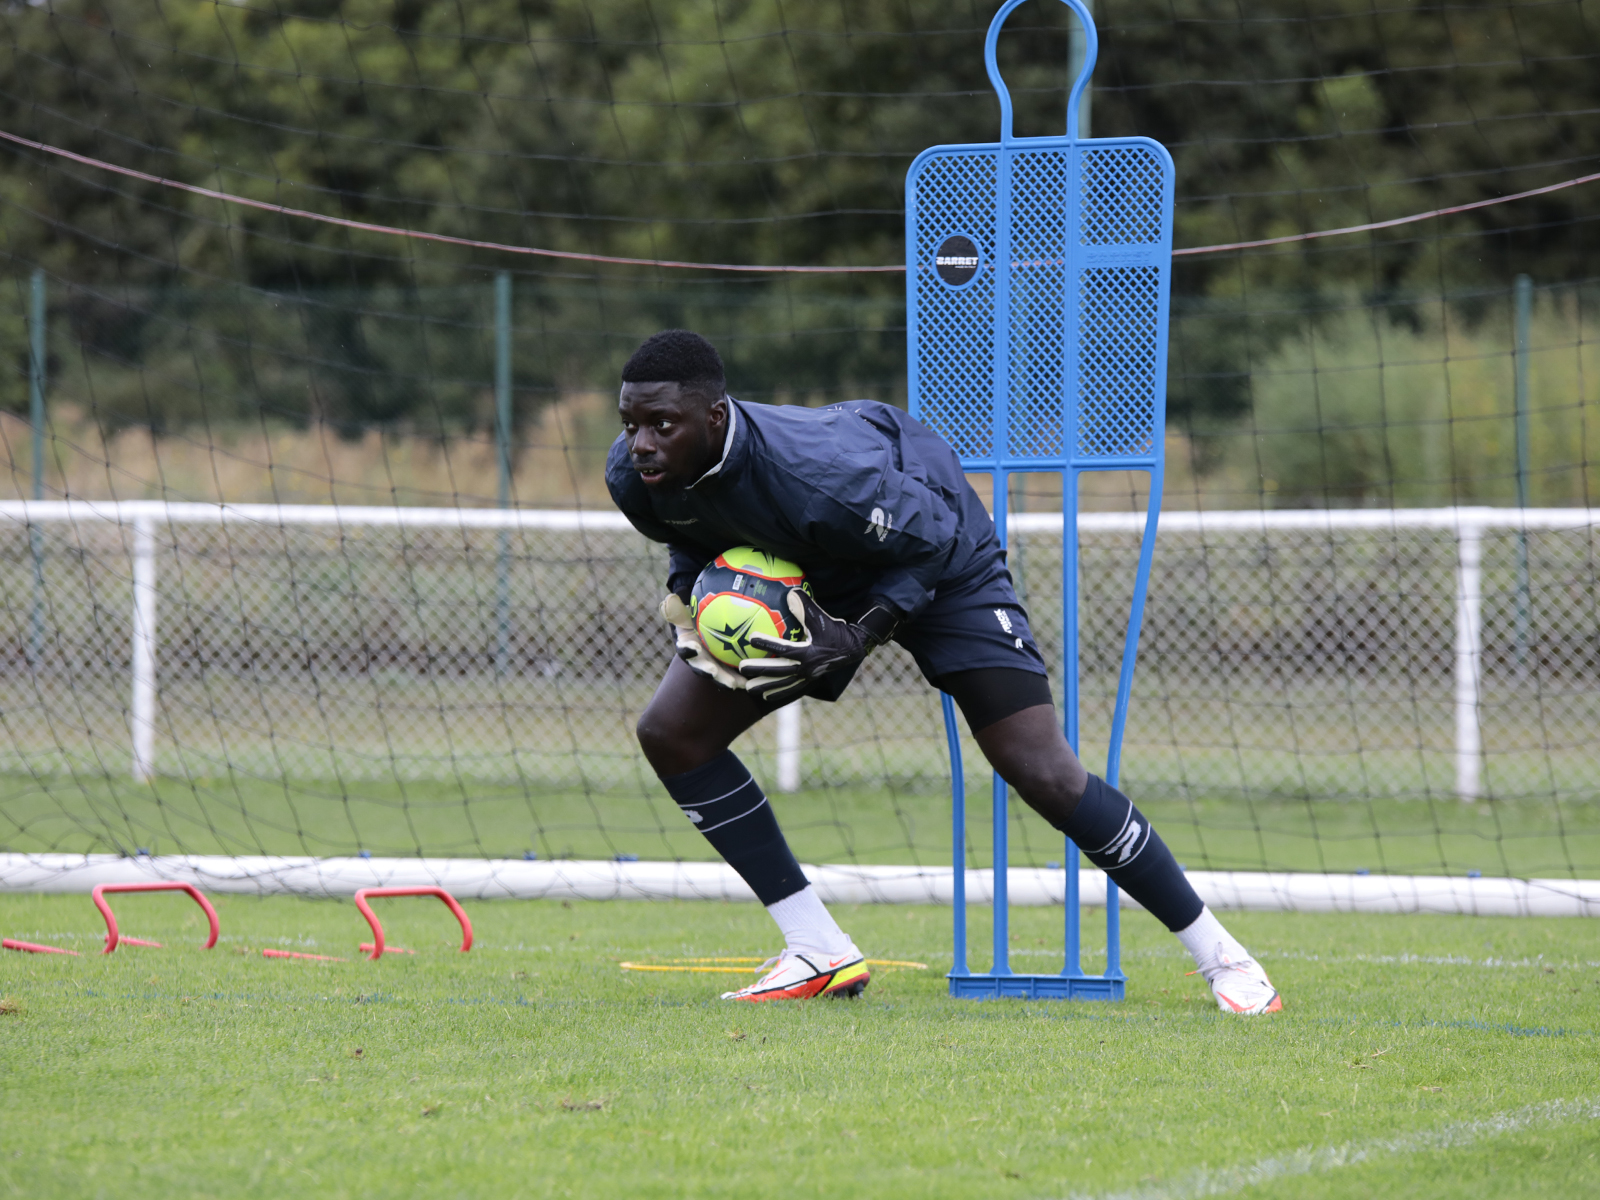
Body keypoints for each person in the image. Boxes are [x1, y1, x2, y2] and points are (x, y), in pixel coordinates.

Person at [606, 329, 1281, 1013]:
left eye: (662, 424)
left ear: (714, 417)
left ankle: (1224, 957)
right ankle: (817, 949)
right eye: (632, 424)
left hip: (942, 556)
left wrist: (860, 633)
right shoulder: (634, 476)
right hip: (813, 571)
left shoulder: (821, 474)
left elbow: (935, 539)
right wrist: (692, 601)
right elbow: (689, 536)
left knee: (1042, 770)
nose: (642, 443)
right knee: (672, 734)